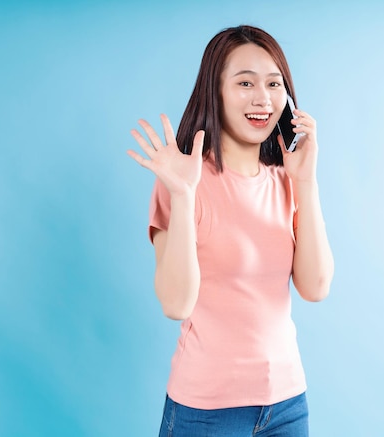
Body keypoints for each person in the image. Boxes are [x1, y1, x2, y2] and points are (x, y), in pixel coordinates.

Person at [127, 24, 334, 437]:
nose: (263, 98)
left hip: (288, 404)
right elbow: (176, 304)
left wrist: (306, 182)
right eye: (245, 83)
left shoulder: (287, 180)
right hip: (206, 411)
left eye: (274, 84)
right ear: (215, 91)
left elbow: (315, 286)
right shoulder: (182, 180)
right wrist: (184, 196)